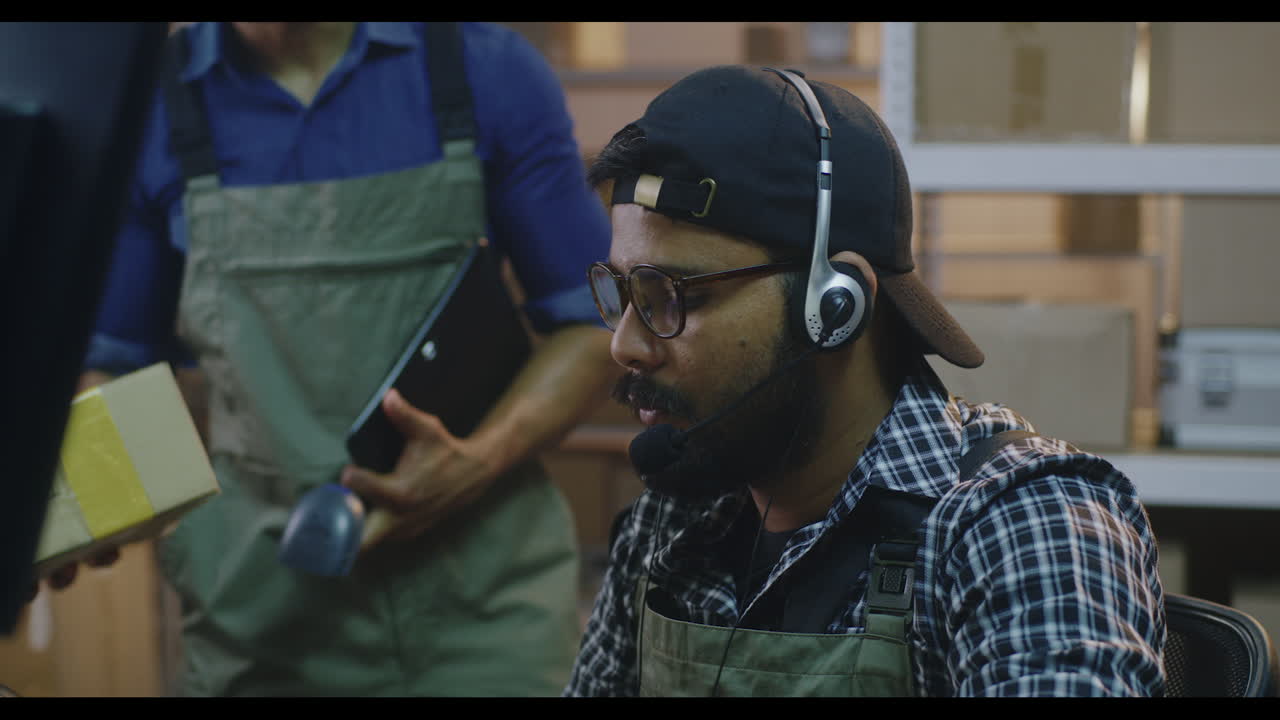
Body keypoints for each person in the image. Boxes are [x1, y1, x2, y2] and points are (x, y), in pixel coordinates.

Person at [564, 65, 1167, 697]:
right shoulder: (671, 526)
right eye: (622, 291)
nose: (624, 344)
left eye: (669, 294)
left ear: (834, 308)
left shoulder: (1024, 527)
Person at [61, 21, 619, 696]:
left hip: (482, 611)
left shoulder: (482, 70)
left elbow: (592, 325)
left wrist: (481, 459)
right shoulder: (152, 103)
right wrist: (71, 514)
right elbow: (117, 364)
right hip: (258, 614)